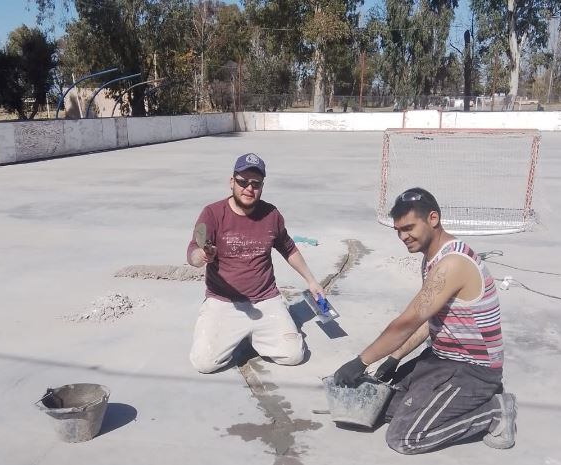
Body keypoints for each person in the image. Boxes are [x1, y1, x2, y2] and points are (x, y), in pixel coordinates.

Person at [334, 187, 516, 454]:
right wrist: (394, 357)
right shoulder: (431, 258)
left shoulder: (452, 263)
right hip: (442, 359)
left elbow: (407, 321)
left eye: (408, 228)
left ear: (433, 219)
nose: (403, 236)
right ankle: (461, 400)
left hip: (473, 369)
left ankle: (494, 412)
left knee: (405, 437)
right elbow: (428, 320)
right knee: (384, 407)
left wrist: (361, 361)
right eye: (398, 230)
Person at [188, 153, 324, 374]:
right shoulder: (212, 213)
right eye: (242, 181)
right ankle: (227, 327)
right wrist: (202, 256)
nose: (248, 188)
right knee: (204, 363)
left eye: (255, 183)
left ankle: (255, 333)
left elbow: (288, 248)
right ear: (232, 182)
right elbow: (192, 253)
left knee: (294, 355)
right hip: (224, 301)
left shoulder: (271, 214)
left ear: (262, 186)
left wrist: (311, 281)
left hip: (265, 299)